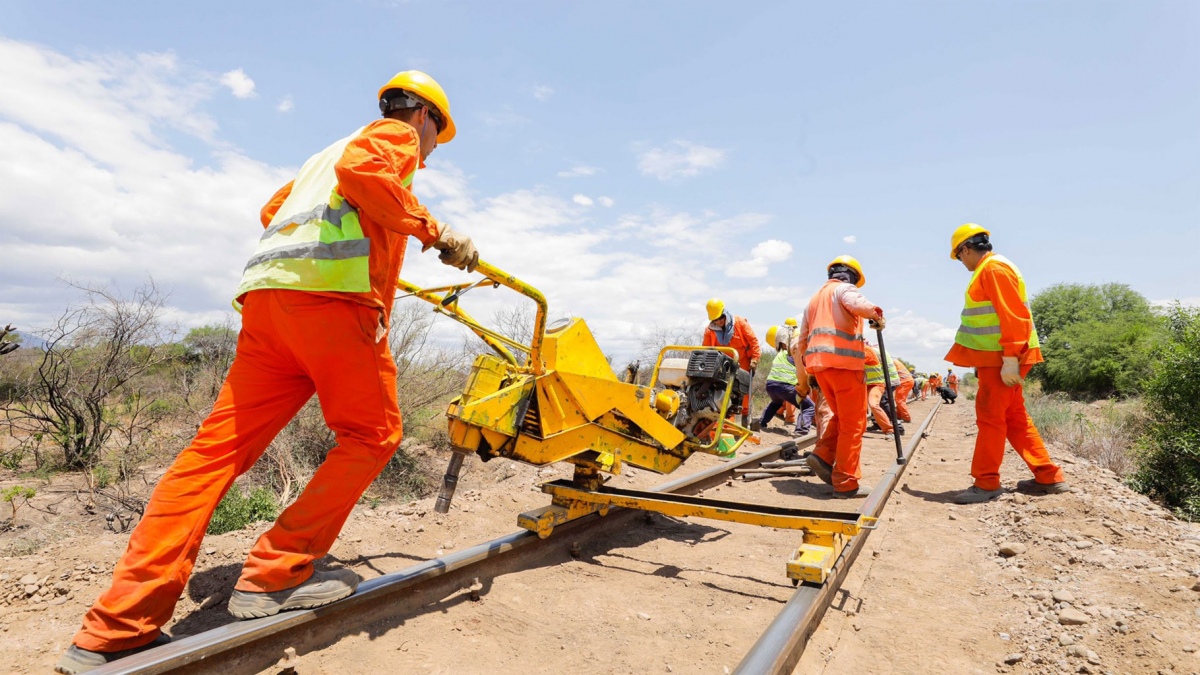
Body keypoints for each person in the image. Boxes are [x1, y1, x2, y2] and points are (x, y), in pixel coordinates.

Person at [56, 71, 479, 674]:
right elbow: (367, 177)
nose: (430, 154)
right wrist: (434, 232)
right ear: (425, 118)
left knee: (214, 453)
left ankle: (117, 626)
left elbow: (273, 210)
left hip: (267, 308)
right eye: (437, 139)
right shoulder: (394, 136)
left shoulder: (319, 158)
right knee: (373, 435)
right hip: (331, 308)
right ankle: (276, 572)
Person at [945, 223, 1068, 505]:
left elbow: (1012, 316)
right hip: (1001, 357)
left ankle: (986, 483)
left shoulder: (993, 269)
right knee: (1014, 418)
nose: (961, 262)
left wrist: (1010, 358)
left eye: (959, 256)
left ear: (966, 248)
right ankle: (1048, 476)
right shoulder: (993, 267)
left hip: (1003, 357)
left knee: (990, 416)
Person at [790, 255, 885, 498]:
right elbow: (859, 304)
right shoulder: (844, 290)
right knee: (854, 424)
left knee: (842, 418)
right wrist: (876, 315)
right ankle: (845, 483)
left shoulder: (813, 300)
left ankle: (822, 456)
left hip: (821, 370)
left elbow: (802, 341)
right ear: (851, 276)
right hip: (844, 367)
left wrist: (808, 369)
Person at [703, 298, 761, 417]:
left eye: (720, 318)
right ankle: (727, 423)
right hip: (723, 366)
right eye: (715, 320)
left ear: (724, 313)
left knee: (743, 392)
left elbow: (753, 341)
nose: (718, 321)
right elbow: (706, 349)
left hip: (743, 364)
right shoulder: (709, 330)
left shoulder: (740, 323)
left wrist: (755, 359)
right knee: (724, 395)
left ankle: (746, 418)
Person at [759, 325, 815, 435]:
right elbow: (801, 372)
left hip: (770, 385)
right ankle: (801, 430)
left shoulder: (780, 354)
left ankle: (761, 422)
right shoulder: (794, 352)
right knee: (809, 406)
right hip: (786, 387)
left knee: (776, 402)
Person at [863, 343, 902, 437]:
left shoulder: (867, 351)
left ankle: (890, 429)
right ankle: (864, 427)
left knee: (874, 404)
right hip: (865, 384)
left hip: (876, 383)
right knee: (861, 407)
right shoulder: (866, 350)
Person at [892, 358, 914, 423]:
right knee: (900, 399)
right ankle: (899, 416)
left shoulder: (890, 361)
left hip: (904, 381)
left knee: (899, 400)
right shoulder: (893, 360)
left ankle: (906, 417)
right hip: (906, 380)